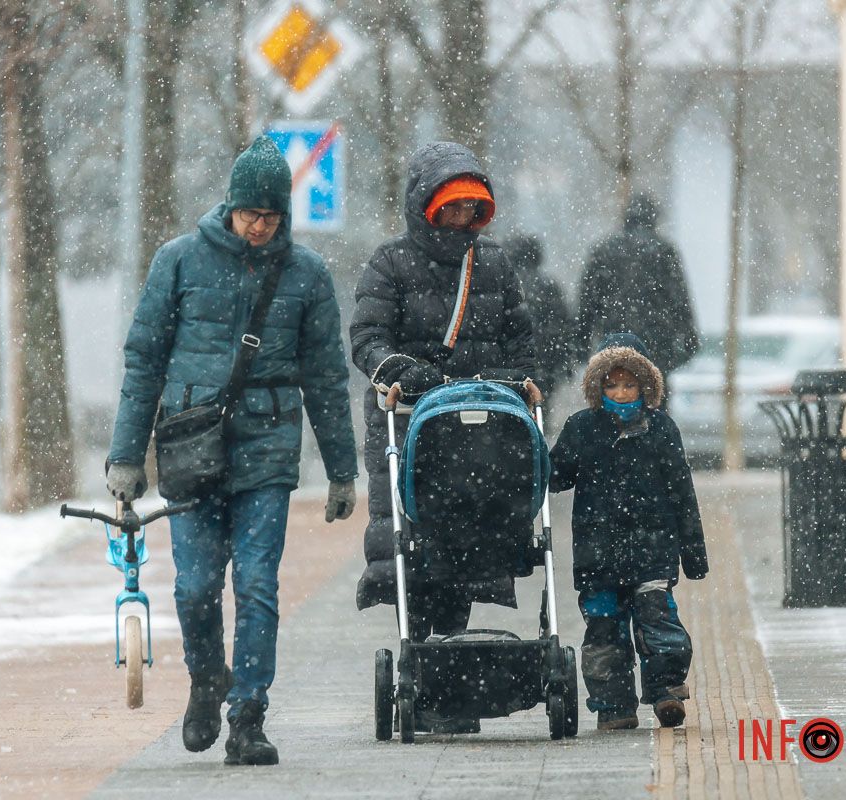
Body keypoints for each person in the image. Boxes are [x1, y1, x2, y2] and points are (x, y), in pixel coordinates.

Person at [105, 136, 359, 766]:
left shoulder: (307, 275)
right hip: (191, 447)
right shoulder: (179, 261)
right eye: (250, 214)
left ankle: (248, 716)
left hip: (268, 450)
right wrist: (126, 456)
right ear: (230, 206)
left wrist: (342, 470)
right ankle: (206, 680)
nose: (258, 227)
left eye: (270, 217)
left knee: (256, 584)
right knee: (193, 588)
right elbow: (145, 362)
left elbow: (326, 376)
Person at [349, 141, 536, 728]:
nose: (459, 220)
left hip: (481, 426)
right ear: (424, 206)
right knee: (414, 544)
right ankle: (423, 659)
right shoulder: (390, 264)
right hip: (408, 424)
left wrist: (517, 377)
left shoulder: (496, 265)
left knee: (470, 539)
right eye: (449, 208)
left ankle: (452, 669)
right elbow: (367, 339)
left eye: (469, 209)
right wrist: (405, 372)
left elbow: (521, 339)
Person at [548, 332, 709, 730]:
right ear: (598, 386)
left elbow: (681, 492)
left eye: (629, 383)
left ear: (646, 385)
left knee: (658, 619)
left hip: (652, 548)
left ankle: (667, 689)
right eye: (612, 384)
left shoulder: (660, 429)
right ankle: (613, 704)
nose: (621, 393)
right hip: (597, 552)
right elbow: (555, 476)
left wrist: (694, 553)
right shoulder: (582, 428)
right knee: (604, 628)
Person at [576, 193, 700, 401]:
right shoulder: (664, 251)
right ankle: (653, 430)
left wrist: (582, 341)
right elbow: (679, 300)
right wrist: (688, 340)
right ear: (654, 218)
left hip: (613, 340)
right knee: (654, 401)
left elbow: (588, 302)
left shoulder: (603, 250)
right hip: (657, 342)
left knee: (612, 396)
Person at [502, 234, 574, 406]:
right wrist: (565, 360)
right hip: (545, 361)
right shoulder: (548, 285)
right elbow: (562, 325)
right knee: (541, 407)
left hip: (511, 363)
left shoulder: (503, 284)